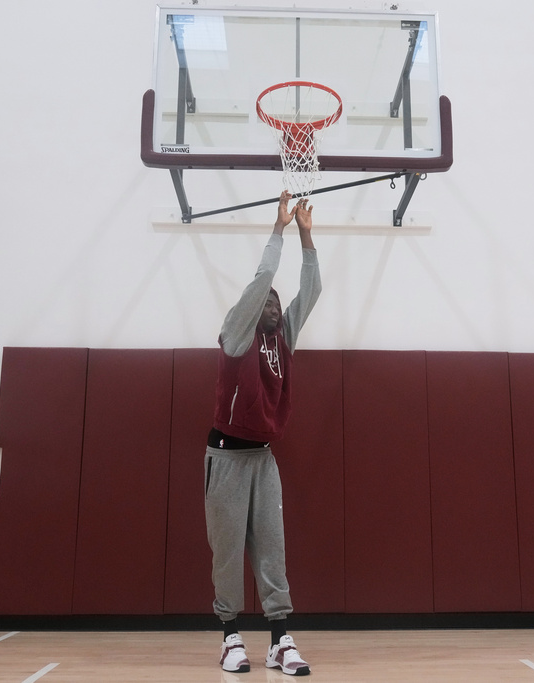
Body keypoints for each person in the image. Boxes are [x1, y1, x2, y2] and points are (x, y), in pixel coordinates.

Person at [205, 191, 321, 676]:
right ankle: (230, 638)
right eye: (267, 300)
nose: (274, 303)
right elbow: (263, 281)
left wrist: (306, 235)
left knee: (272, 546)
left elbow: (311, 290)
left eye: (276, 302)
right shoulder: (237, 334)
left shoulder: (282, 336)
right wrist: (277, 229)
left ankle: (279, 641)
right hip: (228, 457)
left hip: (264, 458)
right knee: (229, 550)